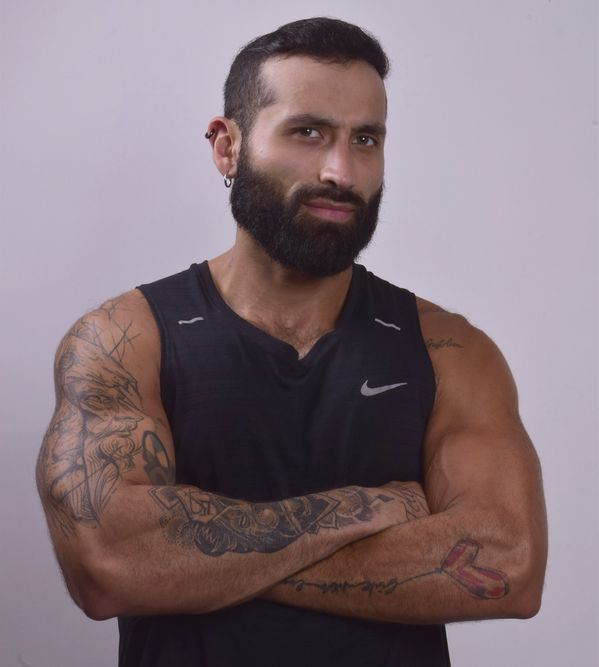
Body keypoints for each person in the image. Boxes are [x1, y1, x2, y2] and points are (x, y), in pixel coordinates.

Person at [36, 17, 548, 667]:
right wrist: (367, 510)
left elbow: (507, 564)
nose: (341, 170)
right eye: (308, 132)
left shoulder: (449, 349)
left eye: (365, 139)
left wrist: (188, 562)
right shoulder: (124, 338)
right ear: (228, 147)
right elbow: (109, 564)